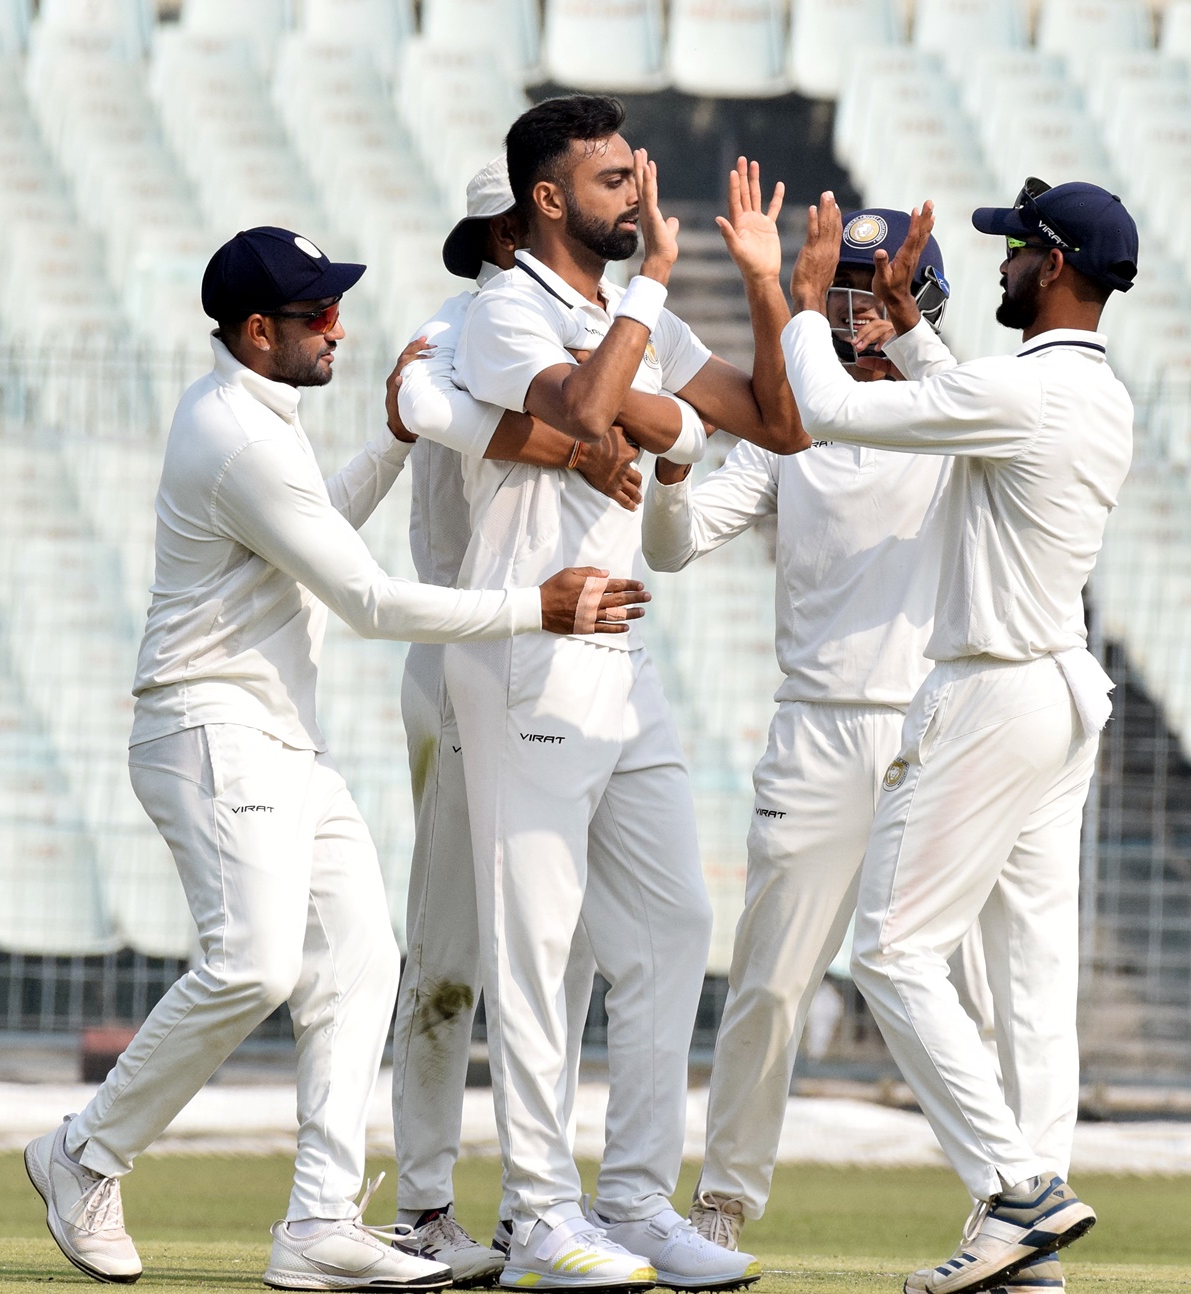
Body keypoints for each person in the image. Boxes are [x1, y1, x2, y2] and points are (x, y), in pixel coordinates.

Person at [23, 226, 649, 1290]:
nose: (340, 327)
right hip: (207, 727)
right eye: (318, 315)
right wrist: (531, 609)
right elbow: (364, 598)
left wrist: (398, 440)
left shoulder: (259, 416)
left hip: (276, 740)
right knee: (256, 965)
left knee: (362, 962)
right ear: (257, 332)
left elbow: (324, 531)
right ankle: (82, 1153)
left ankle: (318, 1220)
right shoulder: (238, 434)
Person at [448, 94, 808, 1292]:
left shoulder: (623, 313)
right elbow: (592, 412)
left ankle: (639, 1198)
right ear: (546, 200)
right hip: (529, 655)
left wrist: (761, 280)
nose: (639, 198)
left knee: (669, 932)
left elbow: (778, 424)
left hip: (624, 660)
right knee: (540, 946)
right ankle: (540, 1217)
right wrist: (652, 295)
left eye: (637, 179)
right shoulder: (508, 307)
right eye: (613, 181)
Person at [781, 180, 1138, 1294]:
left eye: (1019, 252)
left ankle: (1017, 1191)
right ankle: (1026, 1252)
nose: (1002, 264)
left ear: (1061, 267)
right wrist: (918, 330)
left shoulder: (1025, 392)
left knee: (889, 947)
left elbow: (830, 411)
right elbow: (970, 405)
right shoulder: (1089, 391)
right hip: (1060, 690)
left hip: (990, 693)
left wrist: (798, 302)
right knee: (1030, 984)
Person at [641, 189, 958, 1252]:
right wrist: (672, 473)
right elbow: (674, 550)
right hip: (818, 731)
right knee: (773, 985)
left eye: (882, 296)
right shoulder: (791, 435)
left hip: (934, 732)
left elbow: (955, 392)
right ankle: (724, 1202)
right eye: (851, 298)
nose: (864, 317)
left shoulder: (953, 411)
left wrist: (902, 321)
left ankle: (1003, 1207)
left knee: (959, 986)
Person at [389, 155, 632, 1282]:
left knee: (557, 948)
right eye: (502, 231)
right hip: (464, 662)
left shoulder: (577, 328)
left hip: (552, 659)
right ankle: (424, 1204)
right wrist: (586, 442)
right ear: (495, 238)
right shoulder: (464, 324)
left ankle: (537, 1200)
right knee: (448, 955)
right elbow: (419, 404)